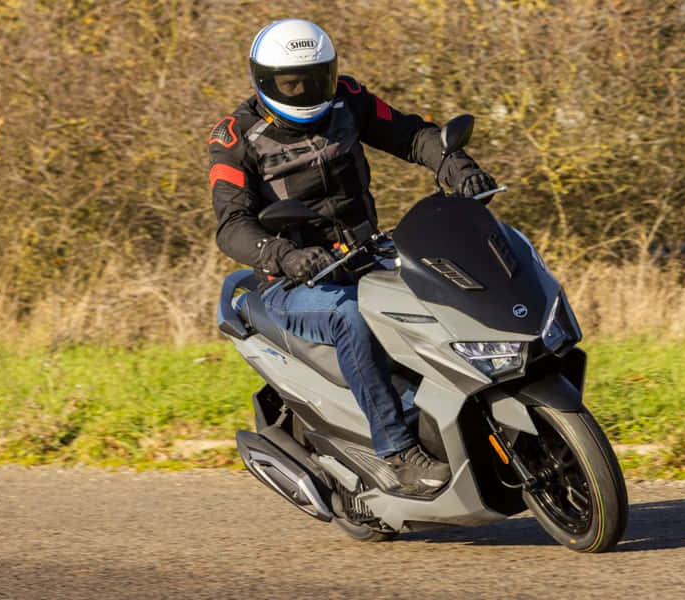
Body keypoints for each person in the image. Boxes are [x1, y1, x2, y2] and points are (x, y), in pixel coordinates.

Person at [209, 19, 496, 495]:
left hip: (366, 252)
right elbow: (232, 226)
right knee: (351, 318)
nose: (304, 91)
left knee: (449, 281)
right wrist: (282, 254)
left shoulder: (347, 98)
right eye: (290, 82)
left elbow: (411, 135)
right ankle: (396, 451)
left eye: (315, 77)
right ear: (263, 80)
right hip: (291, 281)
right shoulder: (235, 139)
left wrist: (457, 167)